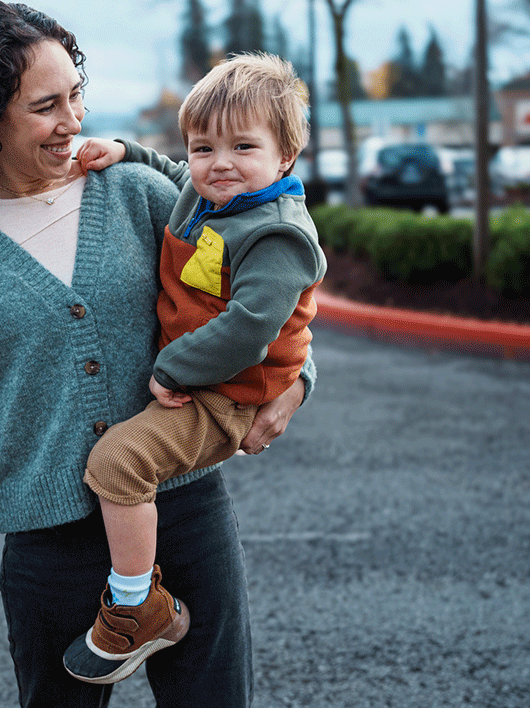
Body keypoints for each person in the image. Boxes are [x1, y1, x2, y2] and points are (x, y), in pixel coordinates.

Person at [0, 0, 315, 708]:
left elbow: (268, 280)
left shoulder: (140, 194)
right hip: (48, 549)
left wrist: (298, 382)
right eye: (45, 105)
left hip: (184, 519)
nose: (74, 121)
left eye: (76, 95)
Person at [59, 53, 326, 685]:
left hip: (226, 394)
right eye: (203, 146)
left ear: (285, 156)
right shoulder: (210, 192)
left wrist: (173, 370)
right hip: (205, 379)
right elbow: (175, 173)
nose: (218, 162)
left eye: (243, 146)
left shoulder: (279, 235)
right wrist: (123, 151)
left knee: (116, 463)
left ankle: (136, 606)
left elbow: (250, 328)